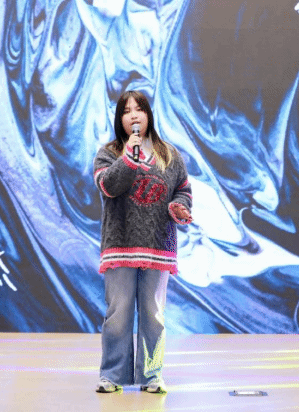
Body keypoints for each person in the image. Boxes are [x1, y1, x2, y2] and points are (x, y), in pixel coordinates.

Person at [93, 90, 192, 394]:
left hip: (158, 247)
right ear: (119, 119)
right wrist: (128, 157)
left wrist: (180, 206)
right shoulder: (109, 153)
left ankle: (152, 375)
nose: (134, 115)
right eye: (126, 111)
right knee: (118, 314)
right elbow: (109, 186)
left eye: (139, 109)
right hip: (120, 246)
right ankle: (112, 375)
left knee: (153, 315)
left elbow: (183, 190)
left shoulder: (169, 155)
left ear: (148, 115)